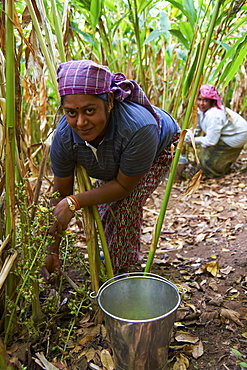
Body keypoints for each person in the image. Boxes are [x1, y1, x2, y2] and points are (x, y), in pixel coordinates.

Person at [42, 59, 180, 282]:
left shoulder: (139, 128)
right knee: (106, 206)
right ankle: (111, 259)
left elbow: (124, 186)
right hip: (117, 157)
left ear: (110, 102)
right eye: (71, 113)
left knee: (124, 205)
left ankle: (121, 273)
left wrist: (74, 202)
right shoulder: (64, 136)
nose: (81, 122)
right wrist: (52, 250)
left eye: (89, 110)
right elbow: (60, 195)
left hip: (159, 148)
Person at [188, 84, 247, 178]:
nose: (201, 103)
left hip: (236, 136)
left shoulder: (214, 115)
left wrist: (194, 141)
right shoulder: (201, 111)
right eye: (199, 99)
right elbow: (197, 129)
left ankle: (216, 173)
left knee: (208, 161)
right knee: (204, 152)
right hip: (228, 134)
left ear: (212, 101)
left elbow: (211, 141)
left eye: (205, 100)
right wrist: (186, 137)